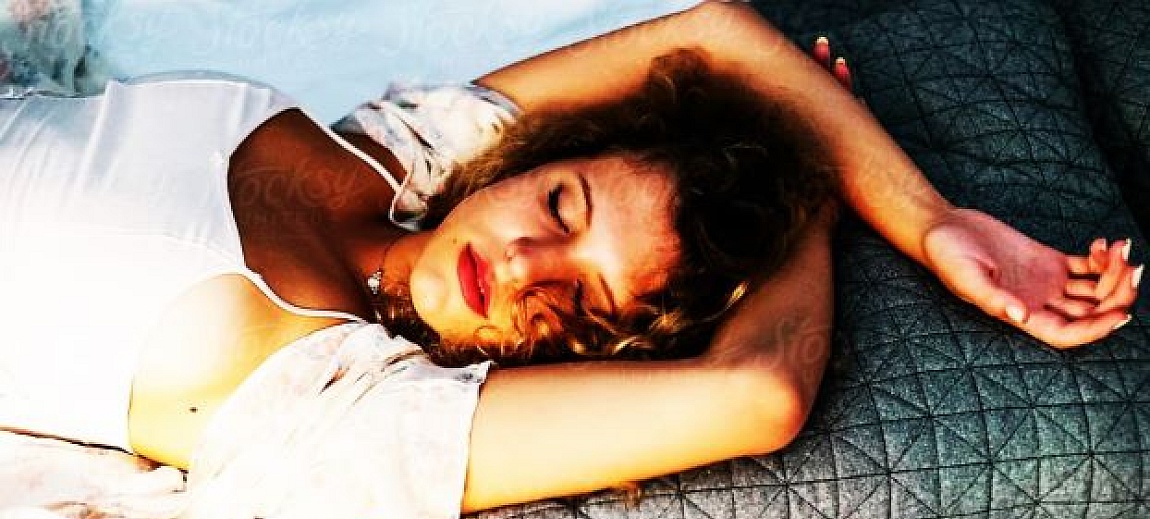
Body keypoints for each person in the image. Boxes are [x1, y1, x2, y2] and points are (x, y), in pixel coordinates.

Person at [0, 2, 1138, 516]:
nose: (529, 259)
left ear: (593, 358)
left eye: (584, 298)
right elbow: (710, 36)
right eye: (559, 202)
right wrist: (931, 216)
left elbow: (756, 392)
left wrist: (814, 201)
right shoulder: (390, 153)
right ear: (521, 163)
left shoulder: (338, 407)